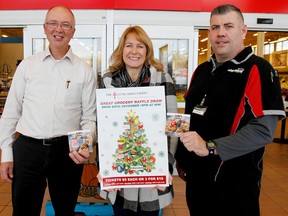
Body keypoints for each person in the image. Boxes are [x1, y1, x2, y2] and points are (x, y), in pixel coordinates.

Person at [175, 4, 285, 216]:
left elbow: (263, 131)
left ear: (243, 30)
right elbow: (192, 117)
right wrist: (182, 158)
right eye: (215, 27)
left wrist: (210, 146)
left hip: (235, 188)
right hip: (197, 182)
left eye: (228, 26)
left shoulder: (259, 69)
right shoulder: (201, 71)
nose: (221, 33)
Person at [0, 6, 97, 216]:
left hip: (67, 151)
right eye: (53, 23)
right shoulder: (27, 66)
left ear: (73, 31)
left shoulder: (84, 71)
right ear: (45, 28)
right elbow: (10, 113)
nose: (58, 29)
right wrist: (6, 154)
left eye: (65, 25)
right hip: (27, 149)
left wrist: (85, 147)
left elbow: (89, 118)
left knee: (65, 210)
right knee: (24, 211)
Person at [98, 25, 178, 215]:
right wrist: (104, 166)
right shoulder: (108, 80)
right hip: (119, 177)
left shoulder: (162, 78)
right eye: (129, 45)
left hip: (152, 176)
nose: (134, 51)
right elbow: (101, 126)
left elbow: (173, 127)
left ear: (147, 51)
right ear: (121, 50)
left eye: (140, 46)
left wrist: (166, 167)